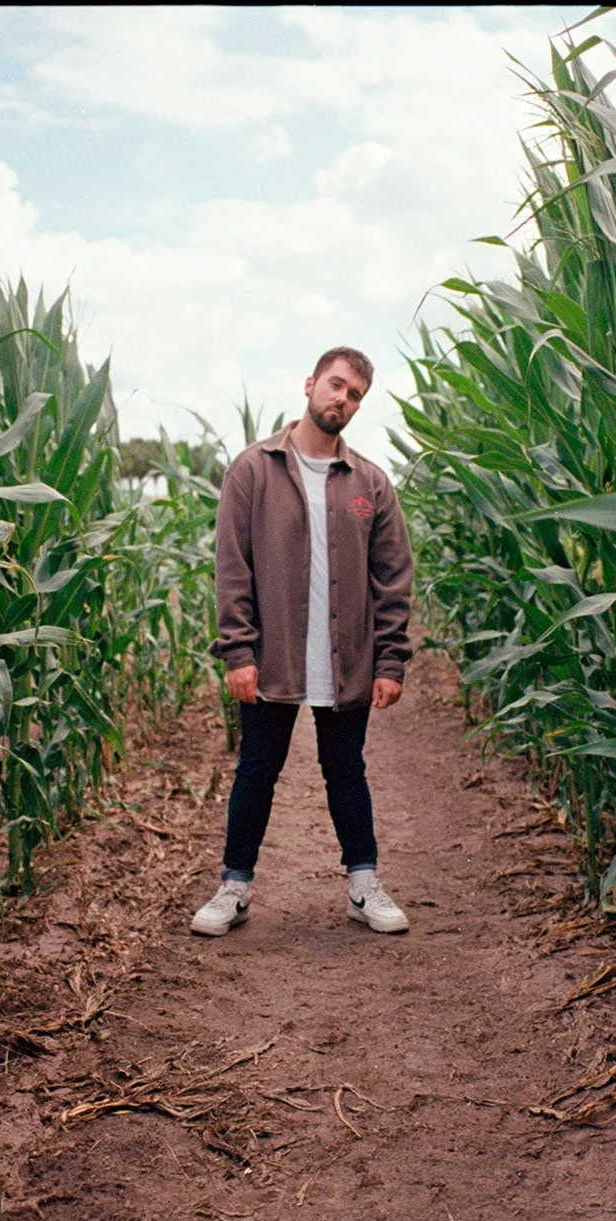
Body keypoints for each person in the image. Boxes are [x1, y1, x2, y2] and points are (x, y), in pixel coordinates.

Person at [192, 346, 415, 937]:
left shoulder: (371, 482)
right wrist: (238, 651)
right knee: (256, 770)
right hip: (272, 659)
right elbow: (232, 568)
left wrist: (391, 660)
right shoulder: (253, 470)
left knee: (346, 770)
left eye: (355, 395)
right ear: (310, 383)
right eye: (336, 385)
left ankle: (364, 885)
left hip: (348, 662)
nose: (343, 399)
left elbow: (393, 578)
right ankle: (234, 888)